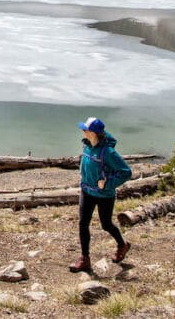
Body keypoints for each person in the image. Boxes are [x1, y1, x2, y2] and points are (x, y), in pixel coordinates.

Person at [69, 116, 133, 273]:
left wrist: (108, 184)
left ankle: (122, 245)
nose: (83, 130)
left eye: (85, 129)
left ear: (93, 133)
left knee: (106, 225)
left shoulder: (108, 152)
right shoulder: (88, 145)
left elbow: (126, 172)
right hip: (86, 191)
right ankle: (85, 259)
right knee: (83, 223)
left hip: (104, 195)